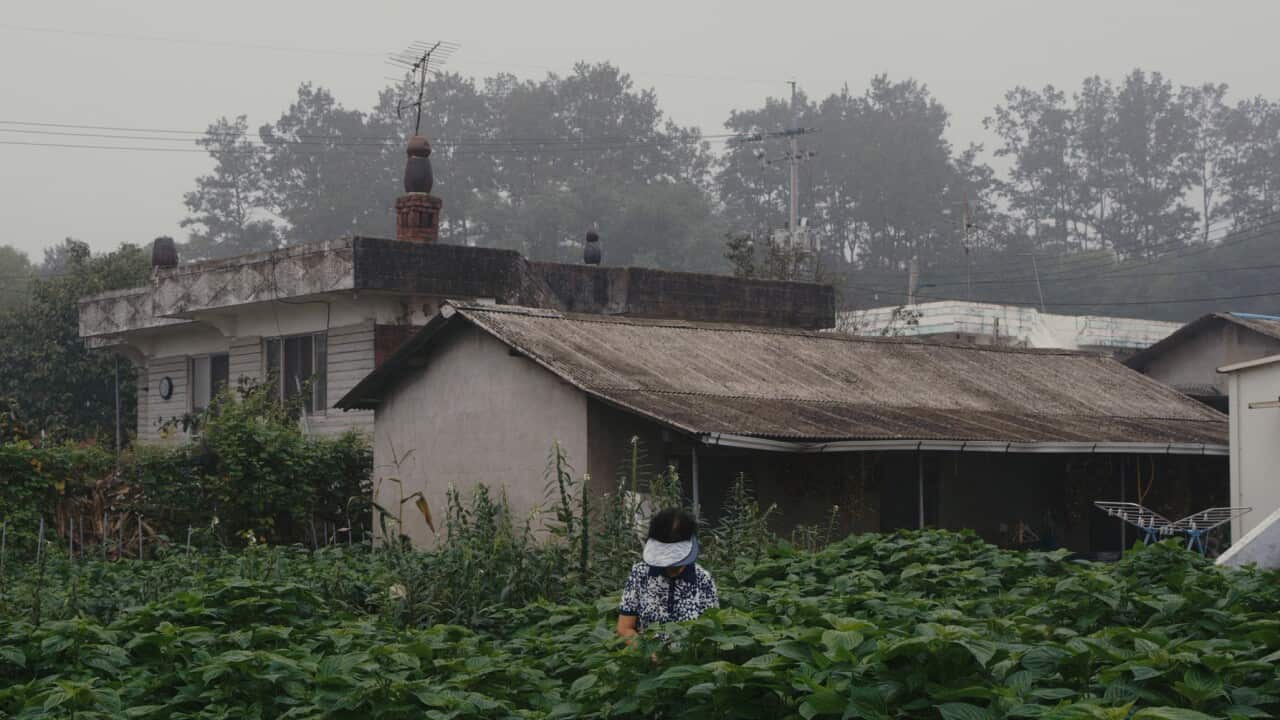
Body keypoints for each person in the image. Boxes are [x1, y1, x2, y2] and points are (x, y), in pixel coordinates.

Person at [616, 507, 719, 640]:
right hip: (646, 657)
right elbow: (624, 628)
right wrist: (646, 651)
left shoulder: (702, 579)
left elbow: (711, 633)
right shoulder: (640, 574)